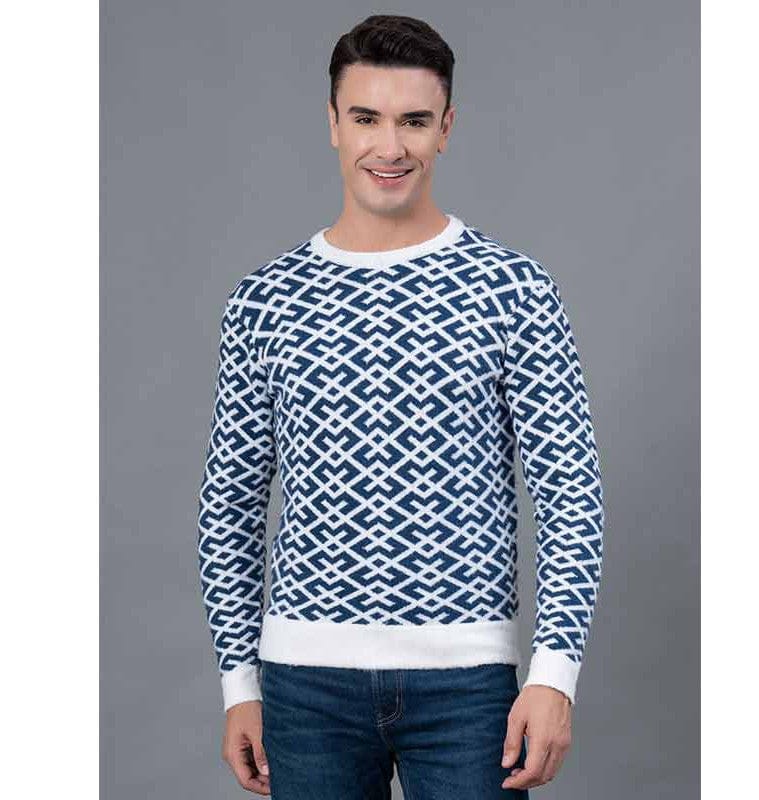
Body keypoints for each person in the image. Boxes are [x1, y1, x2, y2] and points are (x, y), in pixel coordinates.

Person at [197, 13, 604, 798]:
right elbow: (230, 505)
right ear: (332, 123)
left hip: (470, 689)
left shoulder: (513, 288)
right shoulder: (264, 300)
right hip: (303, 689)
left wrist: (555, 674)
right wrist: (239, 684)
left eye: (414, 121)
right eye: (367, 118)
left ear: (446, 128)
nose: (390, 147)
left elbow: (570, 493)